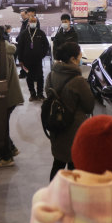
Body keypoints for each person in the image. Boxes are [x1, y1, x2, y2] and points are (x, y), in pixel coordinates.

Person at [43, 41, 95, 179]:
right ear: (72, 59)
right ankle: (72, 191)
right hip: (74, 130)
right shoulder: (78, 80)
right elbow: (89, 106)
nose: (80, 59)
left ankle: (55, 190)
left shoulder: (51, 75)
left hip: (56, 126)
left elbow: (48, 94)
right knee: (75, 166)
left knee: (58, 164)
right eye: (79, 57)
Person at [0, 25, 23, 168]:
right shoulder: (1, 50)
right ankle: (11, 149)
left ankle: (6, 157)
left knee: (1, 128)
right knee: (3, 126)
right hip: (8, 95)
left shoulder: (1, 54)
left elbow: (0, 79)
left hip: (5, 97)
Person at [16, 8, 50, 101]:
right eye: (31, 22)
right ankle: (32, 94)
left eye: (34, 22)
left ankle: (40, 94)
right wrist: (20, 59)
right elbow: (20, 47)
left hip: (38, 60)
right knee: (29, 77)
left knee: (40, 77)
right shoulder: (24, 34)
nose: (33, 23)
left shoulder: (40, 33)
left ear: (37, 22)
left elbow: (46, 45)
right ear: (28, 23)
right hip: (27, 60)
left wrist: (42, 55)